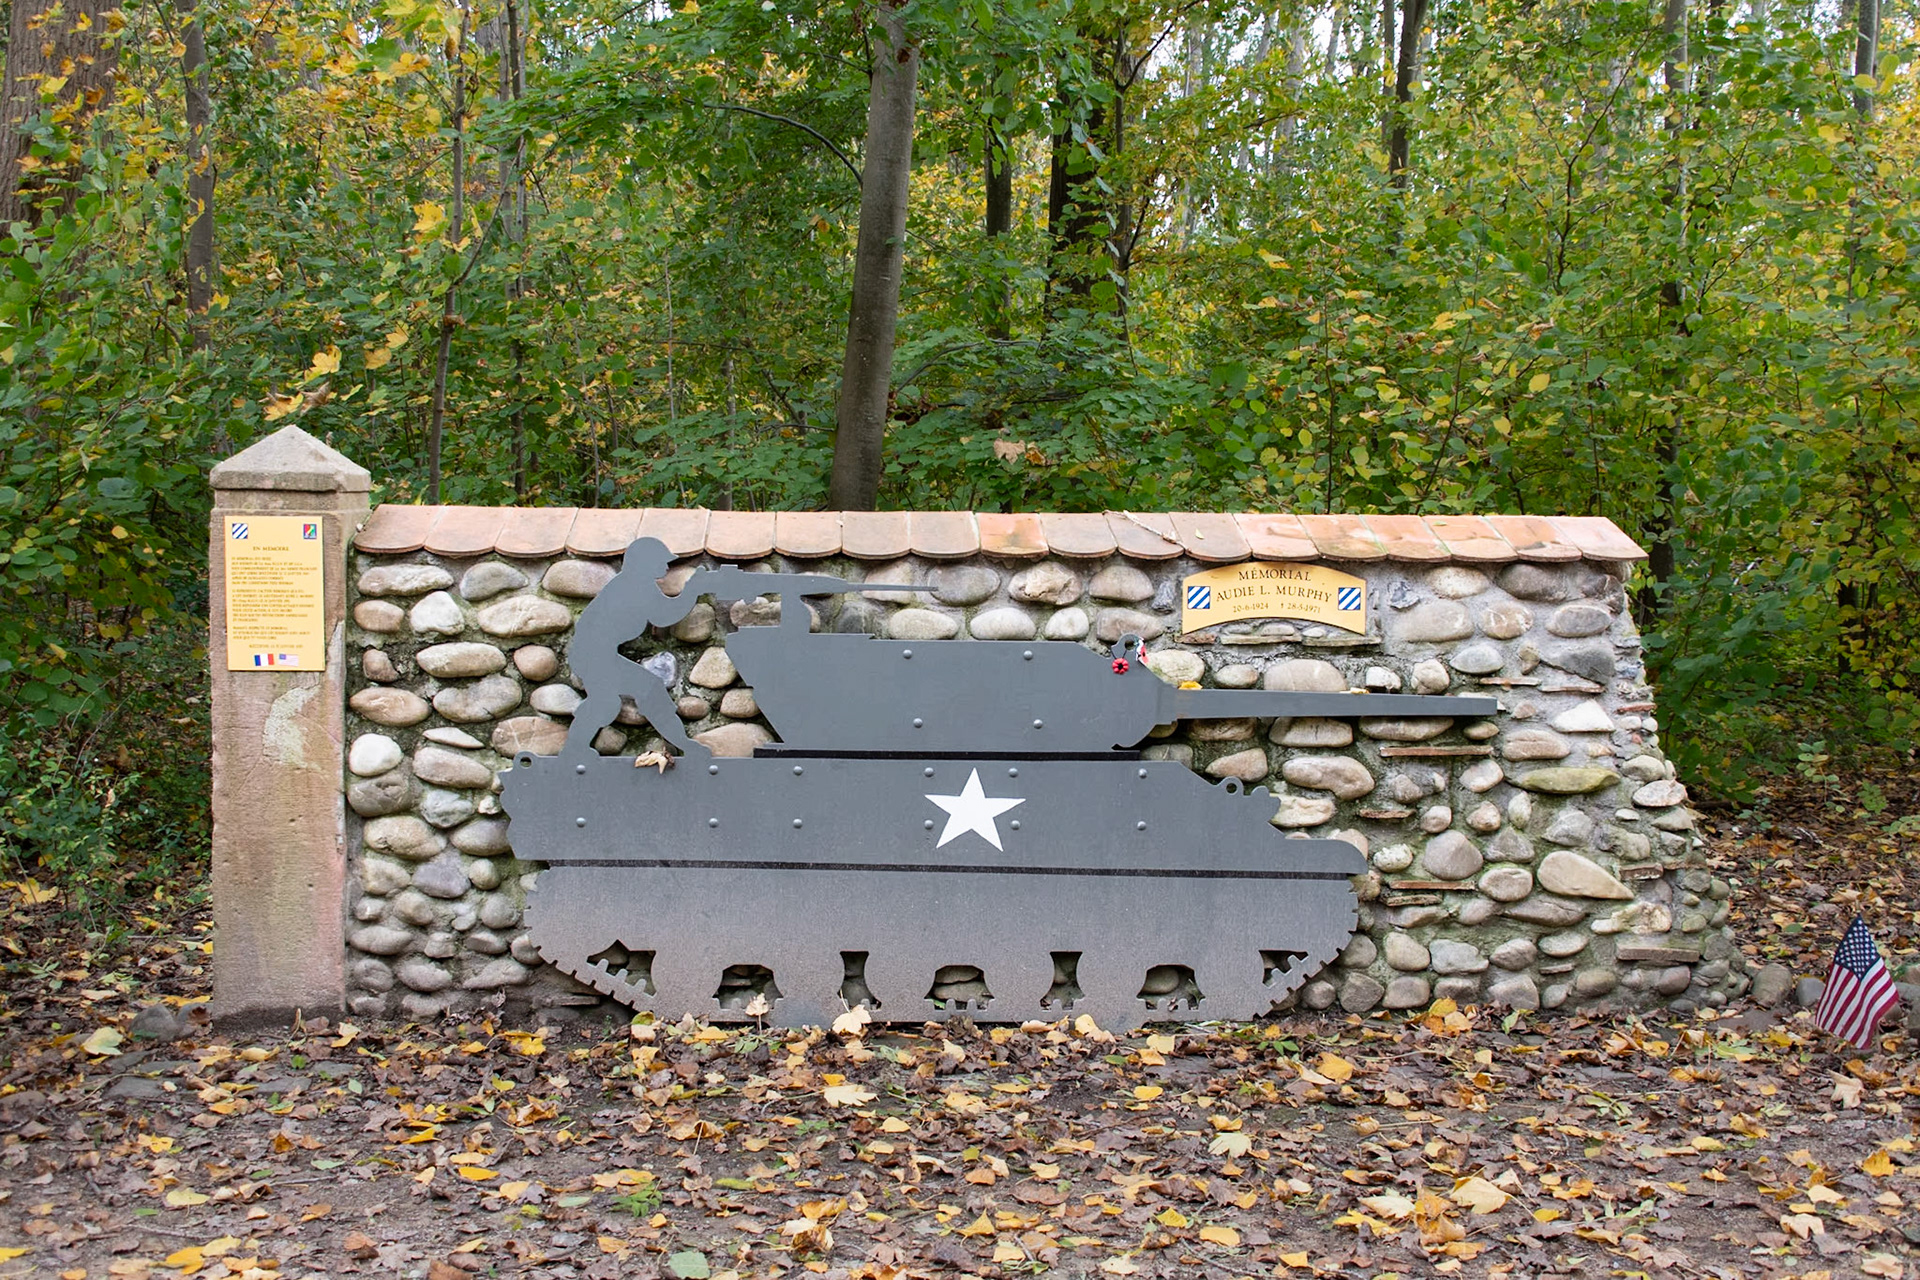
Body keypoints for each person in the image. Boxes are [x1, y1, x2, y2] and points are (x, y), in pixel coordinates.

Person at [562, 538, 706, 759]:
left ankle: (574, 750)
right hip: (594, 655)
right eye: (661, 561)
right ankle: (683, 744)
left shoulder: (635, 583)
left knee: (606, 703)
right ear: (644, 563)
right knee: (649, 690)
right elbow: (665, 615)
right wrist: (693, 590)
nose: (667, 567)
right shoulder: (635, 585)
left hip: (595, 653)